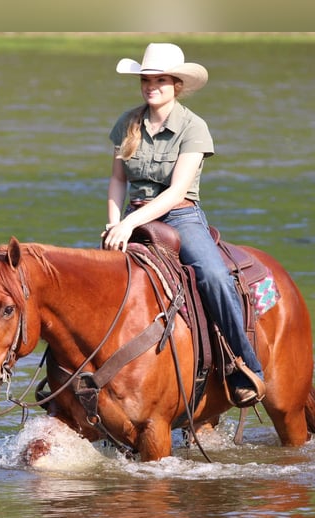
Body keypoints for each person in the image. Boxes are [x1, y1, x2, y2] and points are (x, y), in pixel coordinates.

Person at [101, 42, 264, 407]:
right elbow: (117, 180)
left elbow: (176, 192)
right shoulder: (127, 123)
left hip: (179, 216)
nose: (151, 86)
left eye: (160, 80)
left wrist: (129, 224)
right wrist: (114, 225)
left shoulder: (194, 127)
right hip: (133, 215)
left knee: (214, 276)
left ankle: (244, 366)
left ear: (177, 85)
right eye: (146, 80)